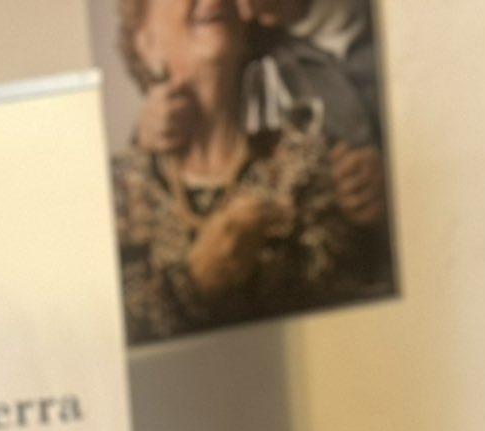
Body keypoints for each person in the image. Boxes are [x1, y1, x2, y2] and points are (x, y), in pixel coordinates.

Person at [112, 0, 371, 343]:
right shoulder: (113, 194)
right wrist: (195, 284)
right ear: (146, 44)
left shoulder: (307, 164)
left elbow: (346, 326)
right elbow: (109, 346)